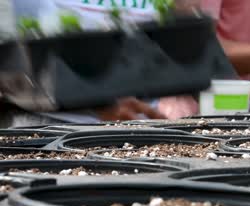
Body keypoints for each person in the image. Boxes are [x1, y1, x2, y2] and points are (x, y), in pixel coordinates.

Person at [11, 0, 199, 125]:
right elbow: (23, 49)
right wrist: (97, 100)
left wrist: (177, 88)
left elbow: (177, 27)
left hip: (149, 120)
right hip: (57, 125)